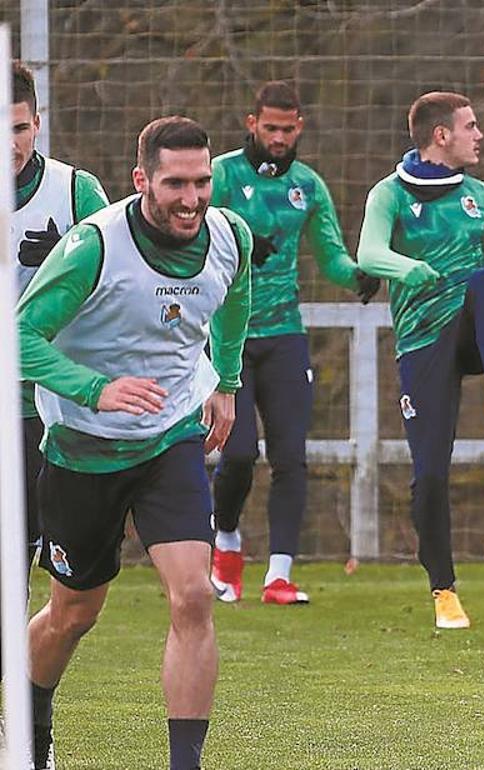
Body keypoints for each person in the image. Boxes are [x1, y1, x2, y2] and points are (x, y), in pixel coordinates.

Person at [18, 116, 252, 770]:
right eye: (176, 183)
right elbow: (20, 338)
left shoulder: (231, 235)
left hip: (169, 439)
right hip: (82, 450)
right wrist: (97, 389)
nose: (192, 198)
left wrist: (226, 380)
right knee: (73, 613)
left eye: (202, 181)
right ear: (142, 179)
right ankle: (31, 726)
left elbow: (236, 300)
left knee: (194, 594)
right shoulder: (95, 245)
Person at [357, 91, 484, 630]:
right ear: (442, 135)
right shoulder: (390, 193)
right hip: (421, 344)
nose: (480, 135)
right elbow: (367, 253)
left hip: (470, 332)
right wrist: (403, 267)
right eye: (471, 126)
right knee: (430, 472)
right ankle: (443, 589)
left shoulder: (479, 193)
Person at [208, 81, 379, 606]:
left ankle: (279, 574)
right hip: (226, 336)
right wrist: (235, 233)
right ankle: (227, 544)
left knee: (290, 456)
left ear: (299, 126)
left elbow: (329, 254)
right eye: (270, 127)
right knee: (237, 455)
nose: (279, 137)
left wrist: (357, 276)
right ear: (251, 122)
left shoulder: (308, 184)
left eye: (288, 129)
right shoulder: (222, 175)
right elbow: (192, 230)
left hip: (285, 334)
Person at [10, 61, 110, 566]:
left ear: (38, 123)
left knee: (51, 546)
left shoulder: (76, 192)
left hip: (47, 400)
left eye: (19, 129)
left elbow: (118, 282)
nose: (11, 144)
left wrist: (65, 264)